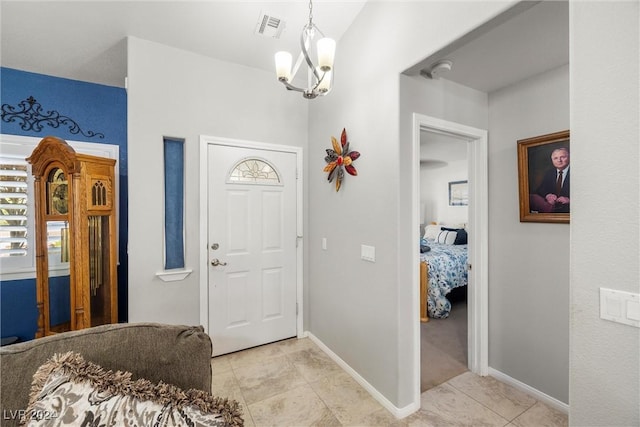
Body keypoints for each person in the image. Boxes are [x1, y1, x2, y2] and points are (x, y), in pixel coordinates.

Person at [529, 147, 570, 213]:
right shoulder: (550, 172)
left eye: (563, 157)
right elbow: (540, 190)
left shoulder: (577, 172)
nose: (559, 160)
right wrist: (547, 195)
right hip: (553, 212)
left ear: (569, 157)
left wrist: (570, 200)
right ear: (552, 160)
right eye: (555, 158)